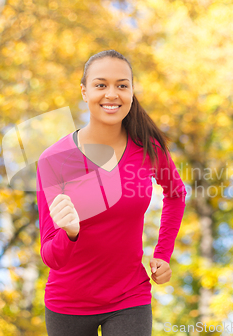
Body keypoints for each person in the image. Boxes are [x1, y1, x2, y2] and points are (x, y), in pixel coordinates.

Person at [36, 49, 187, 336]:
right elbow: (50, 256)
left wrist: (163, 254)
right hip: (68, 305)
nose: (112, 94)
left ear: (131, 91)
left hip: (130, 297)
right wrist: (69, 233)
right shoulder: (53, 160)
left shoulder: (149, 148)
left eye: (122, 85)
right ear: (84, 92)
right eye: (100, 85)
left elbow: (176, 194)